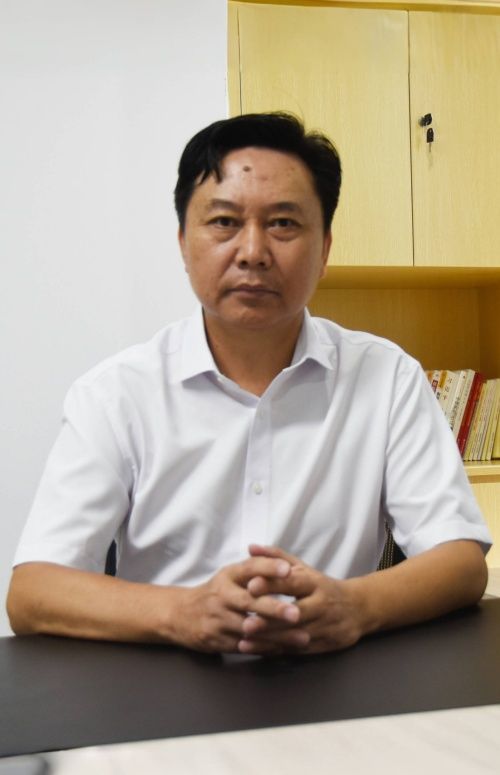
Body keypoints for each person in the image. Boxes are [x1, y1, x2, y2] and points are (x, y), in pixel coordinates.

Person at [7, 113, 491, 655]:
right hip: (162, 681)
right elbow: (33, 593)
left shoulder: (387, 377)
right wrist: (182, 612)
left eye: (283, 223)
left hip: (337, 677)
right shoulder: (116, 393)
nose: (253, 251)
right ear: (183, 243)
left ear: (325, 249)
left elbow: (460, 561)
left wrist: (354, 606)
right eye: (224, 222)